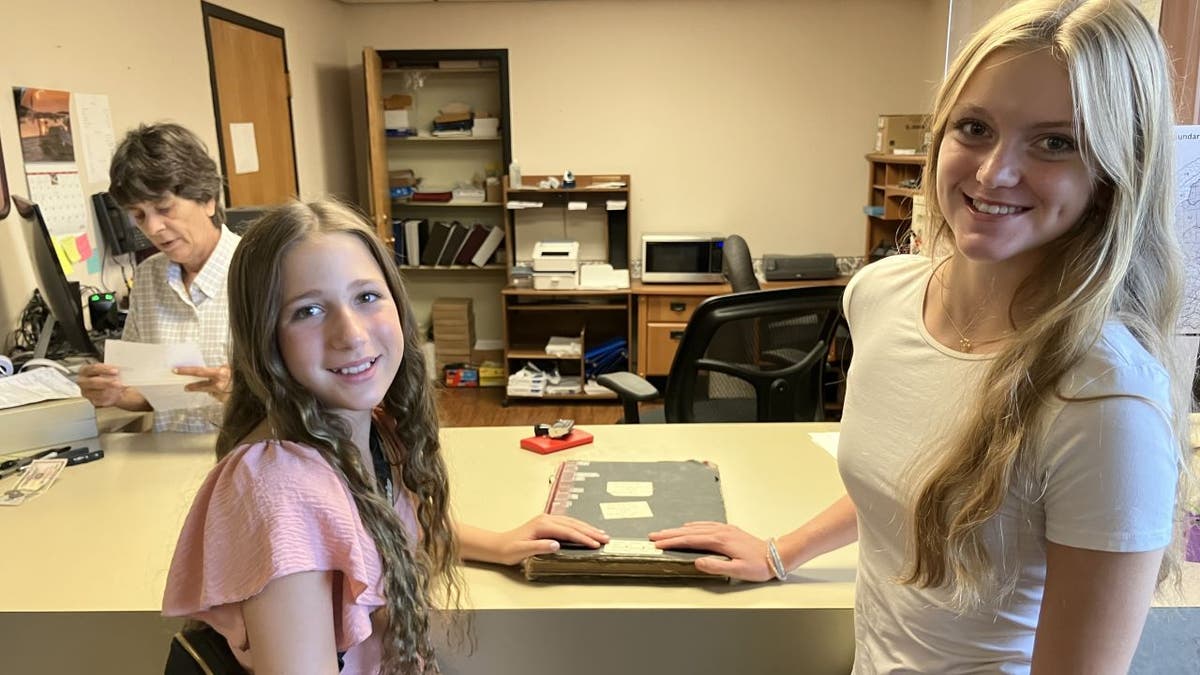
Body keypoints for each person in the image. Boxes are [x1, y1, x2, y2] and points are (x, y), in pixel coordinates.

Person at [651, 1, 1190, 672]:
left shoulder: (1104, 403)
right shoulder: (883, 296)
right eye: (975, 127)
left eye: (1056, 142)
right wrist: (781, 550)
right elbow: (900, 482)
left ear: (1113, 174)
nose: (994, 173)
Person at [162, 199, 608, 674]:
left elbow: (387, 535)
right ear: (265, 338)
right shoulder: (280, 490)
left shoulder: (369, 429)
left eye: (367, 297)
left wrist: (496, 543)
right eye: (308, 310)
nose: (350, 334)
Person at [76, 123, 236, 432]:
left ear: (207, 200)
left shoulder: (260, 271)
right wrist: (116, 393)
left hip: (244, 459)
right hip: (169, 462)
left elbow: (305, 396)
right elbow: (148, 395)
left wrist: (239, 395)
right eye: (138, 215)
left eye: (164, 208)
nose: (153, 228)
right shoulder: (149, 277)